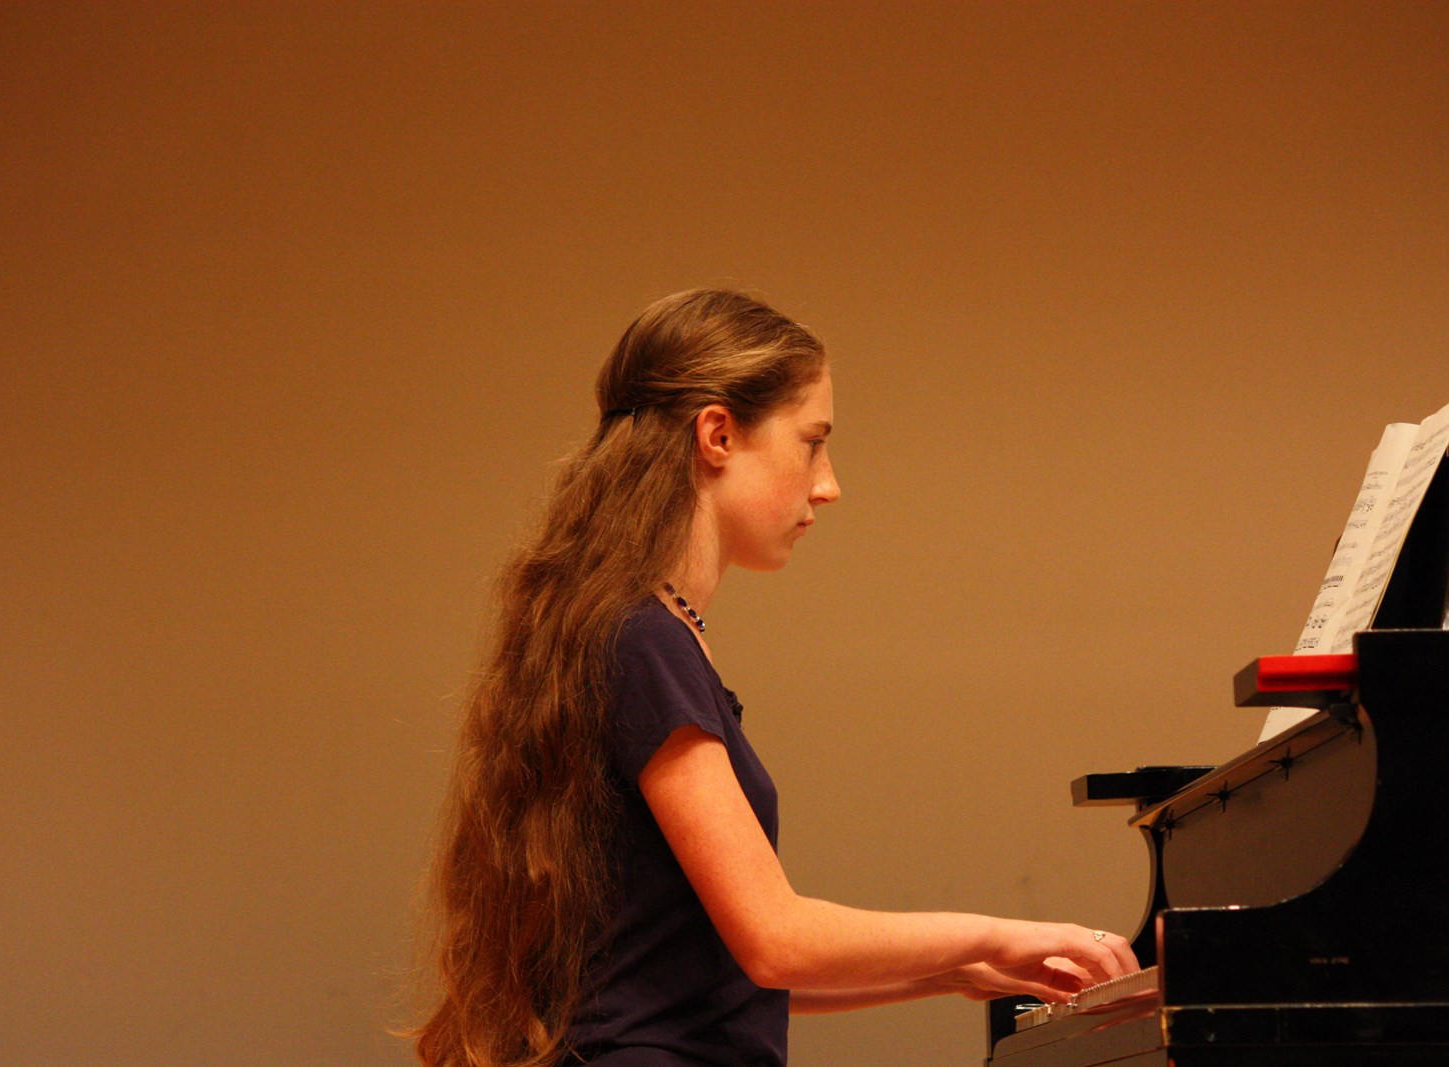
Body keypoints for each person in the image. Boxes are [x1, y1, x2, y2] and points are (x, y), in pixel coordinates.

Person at [412, 289, 1138, 1067]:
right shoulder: (645, 640)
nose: (828, 484)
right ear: (718, 434)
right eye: (812, 442)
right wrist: (999, 934)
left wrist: (952, 970)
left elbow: (709, 974)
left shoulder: (646, 631)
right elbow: (775, 940)